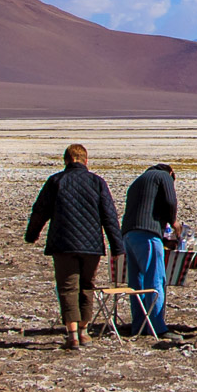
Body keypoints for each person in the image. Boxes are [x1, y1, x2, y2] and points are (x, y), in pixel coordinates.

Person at [25, 144, 123, 350]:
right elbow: (109, 216)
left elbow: (40, 210)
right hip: (92, 246)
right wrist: (117, 246)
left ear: (66, 160)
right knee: (87, 286)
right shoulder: (97, 182)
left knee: (68, 288)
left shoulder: (56, 181)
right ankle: (84, 331)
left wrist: (32, 235)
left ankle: (72, 334)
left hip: (63, 244)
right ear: (86, 161)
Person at [119, 162, 178, 340]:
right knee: (155, 279)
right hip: (147, 235)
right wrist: (173, 223)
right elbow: (170, 200)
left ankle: (139, 324)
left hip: (129, 234)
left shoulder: (138, 181)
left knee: (136, 282)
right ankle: (157, 326)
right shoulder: (163, 176)